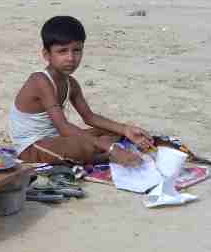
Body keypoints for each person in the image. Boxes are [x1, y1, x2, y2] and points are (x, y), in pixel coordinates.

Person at [8, 15, 153, 166]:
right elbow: (64, 127)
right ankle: (103, 156)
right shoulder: (40, 81)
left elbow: (89, 117)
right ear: (46, 55)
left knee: (114, 132)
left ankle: (101, 151)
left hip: (56, 139)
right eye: (62, 51)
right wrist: (112, 149)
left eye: (76, 50)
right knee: (86, 147)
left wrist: (126, 129)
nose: (71, 58)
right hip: (32, 147)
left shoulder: (71, 83)